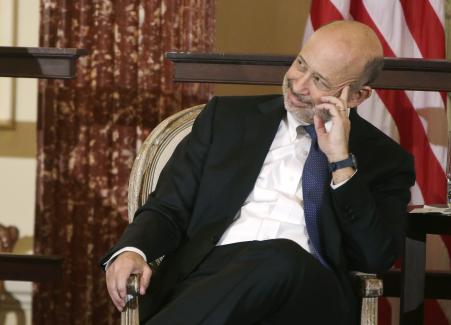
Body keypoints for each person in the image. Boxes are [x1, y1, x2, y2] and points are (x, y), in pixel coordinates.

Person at [101, 20, 415, 325]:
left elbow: (376, 257)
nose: (298, 84)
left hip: (308, 292)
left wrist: (341, 162)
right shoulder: (227, 119)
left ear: (358, 96)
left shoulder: (385, 159)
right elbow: (170, 206)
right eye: (301, 64)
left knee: (281, 257)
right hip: (211, 274)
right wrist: (134, 249)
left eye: (320, 81)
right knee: (266, 264)